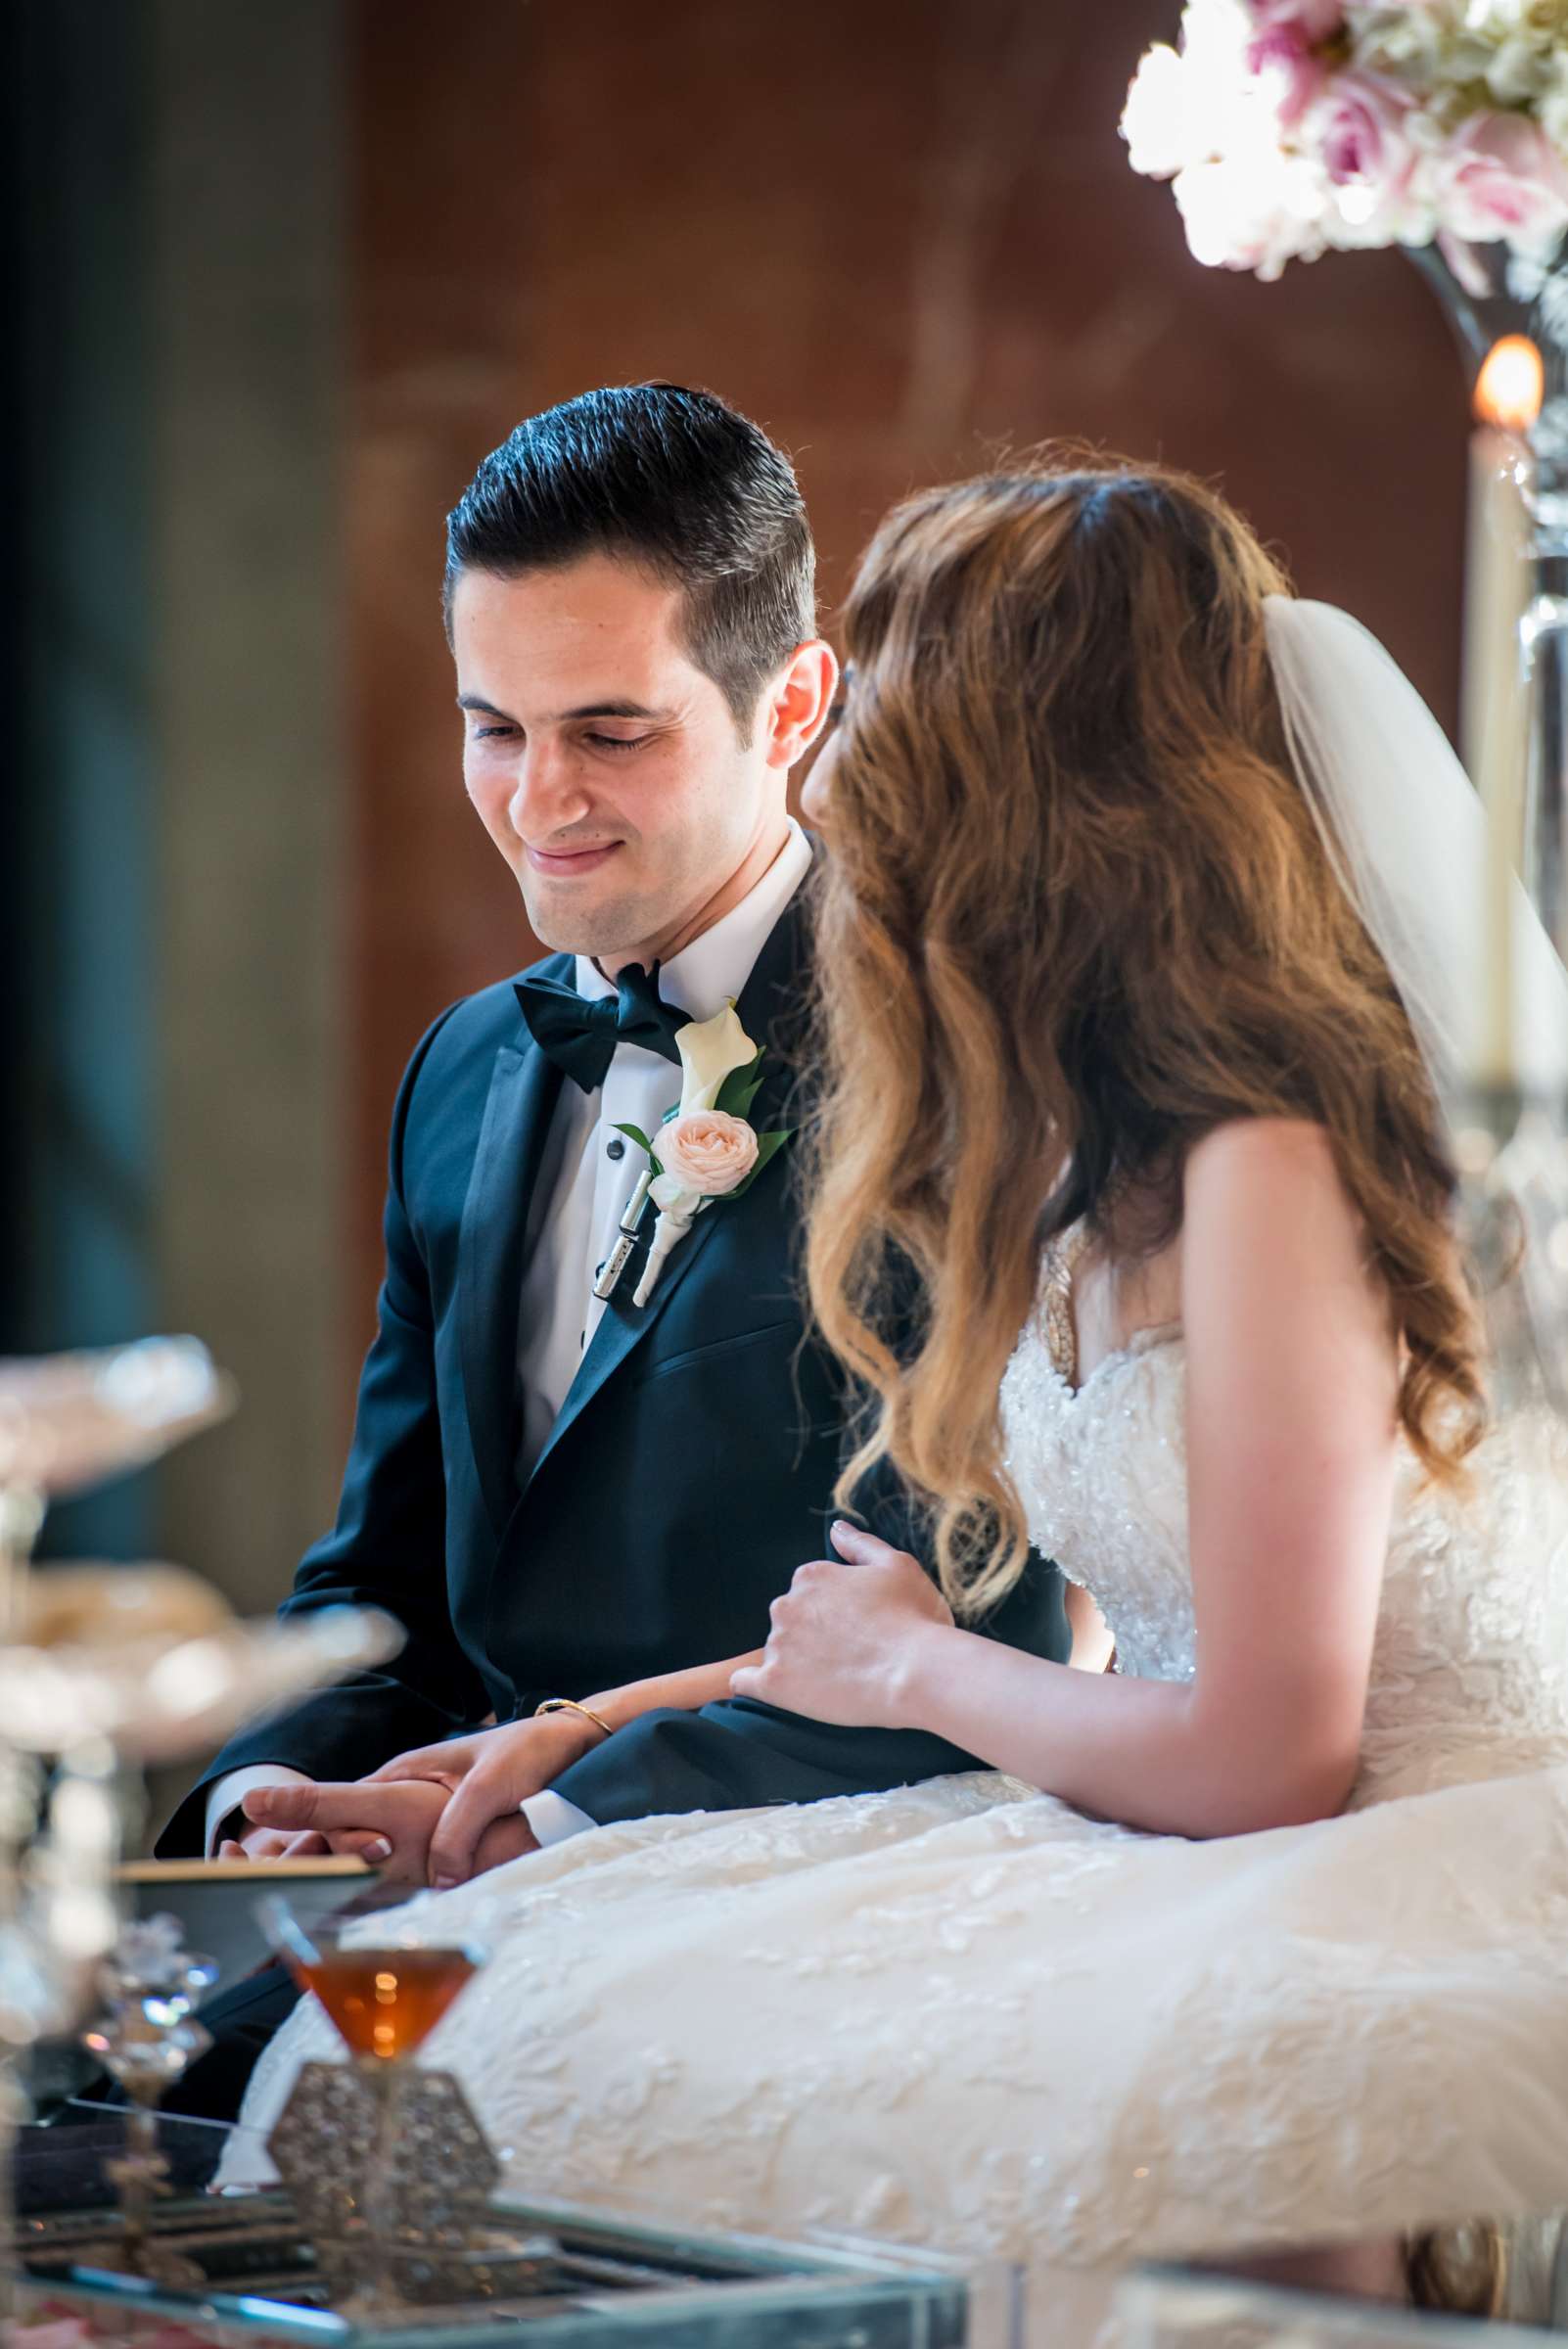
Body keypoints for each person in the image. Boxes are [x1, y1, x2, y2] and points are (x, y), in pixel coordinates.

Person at [225, 454, 1568, 2338]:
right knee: (496, 2001)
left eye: (899, 717)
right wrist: (568, 1736)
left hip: (1369, 1859)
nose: (847, 780)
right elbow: (928, 1633)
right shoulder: (1088, 1150)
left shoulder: (1273, 1163)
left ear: (1032, 795)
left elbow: (1269, 1754)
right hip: (1178, 1827)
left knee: (615, 2062)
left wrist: (916, 1670)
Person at [150, 386, 1064, 2111]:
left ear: (789, 704)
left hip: (790, 1895)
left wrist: (545, 1817)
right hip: (426, 1889)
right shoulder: (466, 1066)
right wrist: (258, 1819)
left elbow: (974, 1630)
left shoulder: (959, 1068)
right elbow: (388, 1580)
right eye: (491, 726)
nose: (536, 798)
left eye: (611, 731)